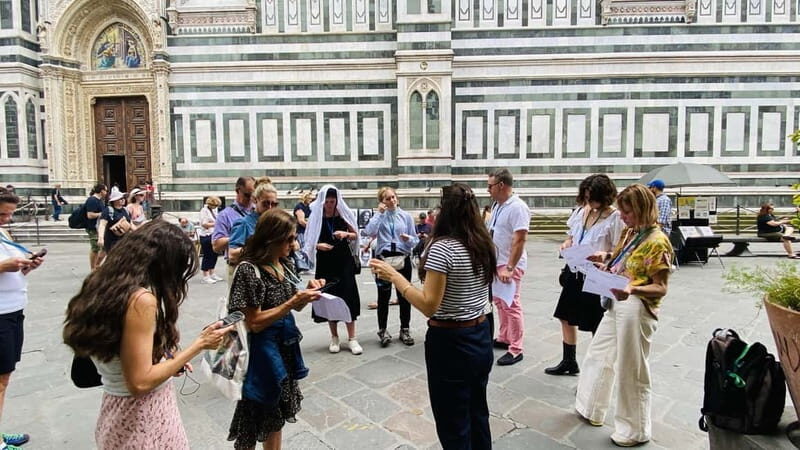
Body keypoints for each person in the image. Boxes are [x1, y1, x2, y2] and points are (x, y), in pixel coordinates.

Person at [63, 221, 234, 449]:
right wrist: (199, 345)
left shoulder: (103, 284)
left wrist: (168, 361)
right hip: (143, 418)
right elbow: (140, 382)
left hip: (116, 413)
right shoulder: (141, 301)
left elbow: (122, 354)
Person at [369, 182, 495, 450]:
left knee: (453, 421)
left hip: (451, 341)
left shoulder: (443, 248)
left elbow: (429, 305)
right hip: (481, 333)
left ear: (446, 211)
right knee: (477, 411)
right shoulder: (483, 241)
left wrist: (394, 278)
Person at [575, 183, 674, 447]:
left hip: (637, 306)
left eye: (627, 212)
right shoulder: (632, 232)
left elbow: (661, 286)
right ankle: (591, 407)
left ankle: (635, 429)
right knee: (599, 353)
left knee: (632, 367)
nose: (622, 216)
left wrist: (632, 287)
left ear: (642, 209)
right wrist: (604, 256)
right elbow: (621, 257)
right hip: (615, 299)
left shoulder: (657, 241)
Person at [227, 209, 323, 450]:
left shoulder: (283, 263)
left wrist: (305, 294)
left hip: (284, 348)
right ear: (271, 239)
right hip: (262, 355)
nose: (294, 244)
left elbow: (293, 305)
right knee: (258, 413)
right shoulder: (249, 270)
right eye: (289, 239)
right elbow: (254, 322)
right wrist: (292, 303)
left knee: (275, 416)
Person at [546, 174, 623, 376]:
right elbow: (571, 236)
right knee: (564, 316)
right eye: (587, 196)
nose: (590, 201)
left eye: (593, 197)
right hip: (575, 270)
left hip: (596, 276)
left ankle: (596, 369)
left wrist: (604, 256)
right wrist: (566, 244)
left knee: (595, 323)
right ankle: (569, 360)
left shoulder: (615, 218)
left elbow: (619, 250)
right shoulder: (582, 211)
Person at [0, 187, 44, 450]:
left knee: (5, 378)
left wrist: (26, 268)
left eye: (9, 214)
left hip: (13, 311)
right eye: (2, 214)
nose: (6, 219)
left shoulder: (3, 232)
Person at [303, 186, 362, 355]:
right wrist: (317, 245)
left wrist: (345, 234)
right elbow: (308, 240)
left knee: (347, 295)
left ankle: (352, 337)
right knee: (329, 297)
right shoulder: (317, 217)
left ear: (337, 201)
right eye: (327, 202)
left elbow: (355, 234)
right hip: (325, 261)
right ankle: (334, 336)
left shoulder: (344, 214)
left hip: (343, 260)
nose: (329, 205)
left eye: (332, 202)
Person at [364, 187, 419, 347]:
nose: (391, 201)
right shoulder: (380, 216)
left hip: (403, 258)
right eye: (387, 198)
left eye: (393, 197)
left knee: (405, 295)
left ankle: (405, 328)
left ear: (397, 198)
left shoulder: (406, 216)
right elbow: (369, 231)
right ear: (382, 201)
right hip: (384, 259)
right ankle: (383, 330)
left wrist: (408, 238)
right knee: (383, 296)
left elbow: (415, 241)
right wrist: (379, 214)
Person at [486, 168, 530, 366]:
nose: (488, 190)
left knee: (512, 305)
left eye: (490, 186)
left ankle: (516, 348)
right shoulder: (498, 205)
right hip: (497, 262)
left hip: (509, 263)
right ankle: (505, 337)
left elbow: (520, 239)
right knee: (500, 302)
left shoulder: (517, 207)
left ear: (501, 185)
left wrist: (510, 267)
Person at [228, 177, 278, 265]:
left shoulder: (277, 222)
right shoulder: (244, 223)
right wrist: (260, 247)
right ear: (255, 200)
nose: (270, 207)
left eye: (274, 204)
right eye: (265, 203)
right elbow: (232, 255)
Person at [212, 177, 255, 277]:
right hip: (237, 266)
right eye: (247, 195)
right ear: (238, 191)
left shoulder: (258, 210)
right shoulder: (225, 215)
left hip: (257, 263)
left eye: (253, 195)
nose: (250, 199)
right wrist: (239, 236)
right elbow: (216, 246)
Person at [97, 187, 134, 253]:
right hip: (112, 241)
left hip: (124, 240)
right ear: (114, 200)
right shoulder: (108, 210)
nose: (123, 200)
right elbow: (102, 225)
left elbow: (131, 224)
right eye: (120, 198)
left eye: (123, 198)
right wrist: (101, 238)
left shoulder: (126, 210)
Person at [198, 196, 222, 283]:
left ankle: (212, 273)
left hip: (214, 234)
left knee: (214, 254)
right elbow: (204, 224)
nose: (216, 207)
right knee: (207, 255)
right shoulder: (204, 211)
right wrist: (216, 223)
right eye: (214, 205)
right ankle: (205, 275)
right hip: (206, 235)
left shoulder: (214, 210)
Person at [85, 184, 108, 271]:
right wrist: (102, 214)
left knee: (104, 247)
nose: (106, 192)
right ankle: (93, 268)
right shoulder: (92, 200)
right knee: (95, 247)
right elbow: (90, 215)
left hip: (99, 227)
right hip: (93, 227)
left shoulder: (99, 200)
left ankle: (97, 265)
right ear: (101, 190)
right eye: (106, 190)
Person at [292, 192, 313, 271]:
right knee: (303, 248)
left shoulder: (308, 207)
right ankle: (302, 266)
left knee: (307, 248)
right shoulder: (300, 207)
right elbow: (301, 221)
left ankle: (307, 266)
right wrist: (312, 227)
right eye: (310, 198)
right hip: (301, 231)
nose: (311, 200)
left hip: (306, 231)